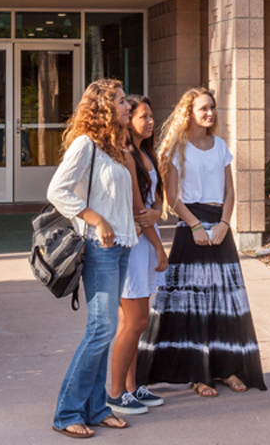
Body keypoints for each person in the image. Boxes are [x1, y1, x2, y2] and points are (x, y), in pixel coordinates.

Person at [136, 87, 267, 397]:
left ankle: (228, 369)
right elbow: (171, 197)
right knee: (194, 305)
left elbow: (230, 192)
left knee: (224, 302)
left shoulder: (221, 146)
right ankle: (199, 373)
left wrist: (224, 224)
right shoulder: (177, 148)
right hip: (190, 228)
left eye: (212, 108)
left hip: (220, 230)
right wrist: (195, 226)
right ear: (189, 113)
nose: (209, 113)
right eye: (203, 108)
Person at [47, 78, 138, 439]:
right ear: (103, 108)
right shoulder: (85, 145)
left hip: (121, 247)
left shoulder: (114, 147)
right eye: (120, 101)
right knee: (100, 330)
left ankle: (97, 408)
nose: (128, 106)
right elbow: (57, 190)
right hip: (100, 248)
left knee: (107, 329)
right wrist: (95, 218)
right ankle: (66, 411)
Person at [107, 95, 169, 415]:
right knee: (135, 321)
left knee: (133, 323)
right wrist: (159, 246)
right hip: (133, 245)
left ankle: (131, 387)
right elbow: (137, 211)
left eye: (150, 115)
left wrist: (158, 213)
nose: (149, 121)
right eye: (142, 116)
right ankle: (115, 392)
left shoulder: (146, 153)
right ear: (128, 120)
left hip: (146, 240)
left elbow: (154, 203)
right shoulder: (125, 155)